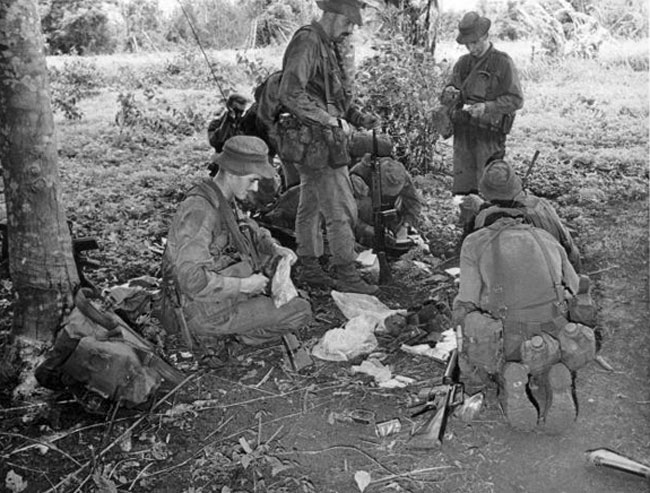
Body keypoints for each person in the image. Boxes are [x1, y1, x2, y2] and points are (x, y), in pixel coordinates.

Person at [160, 136, 312, 356]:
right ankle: (226, 338)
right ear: (232, 172)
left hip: (221, 299)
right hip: (205, 310)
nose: (256, 187)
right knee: (301, 311)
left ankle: (235, 330)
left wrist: (274, 248)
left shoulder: (223, 198)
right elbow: (190, 279)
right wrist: (244, 286)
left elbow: (251, 230)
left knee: (296, 298)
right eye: (252, 180)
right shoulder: (200, 211)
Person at [276, 0, 381, 294]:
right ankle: (346, 273)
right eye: (348, 23)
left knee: (309, 204)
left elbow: (333, 98)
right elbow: (290, 91)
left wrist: (360, 117)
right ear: (334, 16)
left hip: (318, 143)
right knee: (341, 208)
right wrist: (330, 121)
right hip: (315, 143)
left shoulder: (326, 44)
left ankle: (310, 267)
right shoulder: (308, 41)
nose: (349, 30)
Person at [453, 213, 587, 435]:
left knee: (467, 320)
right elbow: (576, 287)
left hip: (509, 338)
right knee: (547, 352)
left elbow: (468, 298)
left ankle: (511, 379)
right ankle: (555, 377)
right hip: (555, 331)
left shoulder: (475, 241)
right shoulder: (545, 237)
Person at [441, 11, 524, 196]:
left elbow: (516, 99)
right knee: (463, 188)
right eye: (467, 44)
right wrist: (449, 93)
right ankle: (466, 222)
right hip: (463, 135)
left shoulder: (503, 63)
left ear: (485, 36)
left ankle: (487, 221)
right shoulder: (462, 64)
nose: (472, 48)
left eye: (475, 42)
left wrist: (488, 107)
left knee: (489, 186)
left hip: (489, 137)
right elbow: (450, 90)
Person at [465, 159, 582, 272]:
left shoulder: (490, 217)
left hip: (525, 284)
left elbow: (475, 254)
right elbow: (569, 250)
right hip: (564, 277)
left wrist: (480, 210)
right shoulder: (541, 203)